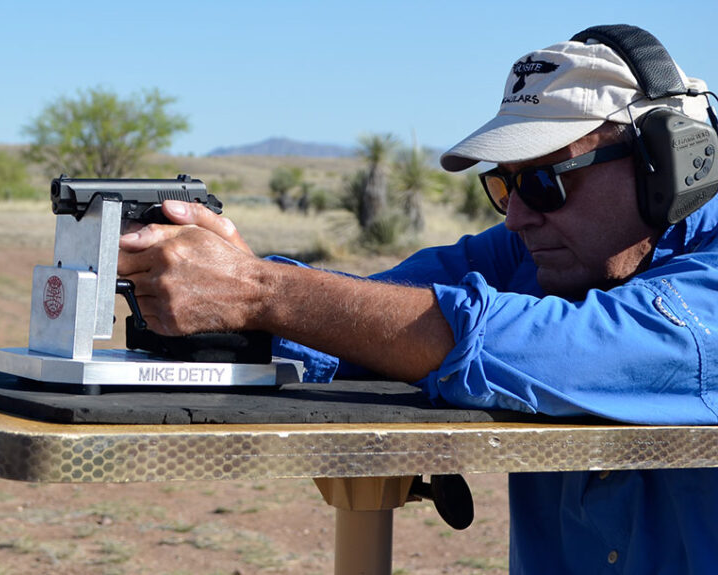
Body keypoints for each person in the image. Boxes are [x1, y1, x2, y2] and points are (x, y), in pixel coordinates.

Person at [117, 26, 718, 574]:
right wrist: (227, 290)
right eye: (504, 183)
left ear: (667, 165)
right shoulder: (547, 249)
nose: (516, 216)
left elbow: (540, 344)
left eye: (543, 181)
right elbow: (380, 307)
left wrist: (257, 290)